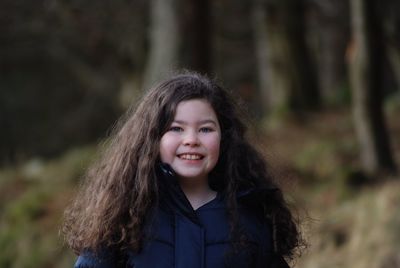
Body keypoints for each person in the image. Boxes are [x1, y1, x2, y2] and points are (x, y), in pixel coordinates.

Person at [62, 72, 303, 268]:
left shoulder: (252, 221)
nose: (191, 139)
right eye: (176, 129)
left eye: (206, 129)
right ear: (151, 139)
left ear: (225, 138)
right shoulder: (120, 219)